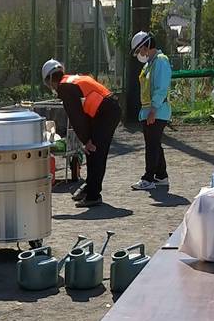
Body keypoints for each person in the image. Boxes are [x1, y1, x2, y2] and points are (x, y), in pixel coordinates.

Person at [41, 60, 121, 206]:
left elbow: (76, 117)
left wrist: (86, 140)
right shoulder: (71, 80)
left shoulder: (65, 88)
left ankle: (93, 195)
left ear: (50, 80)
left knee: (96, 151)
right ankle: (90, 187)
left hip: (106, 113)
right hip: (104, 110)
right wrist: (87, 138)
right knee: (92, 152)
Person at [130, 31, 173, 193]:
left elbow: (161, 87)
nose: (139, 54)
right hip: (150, 110)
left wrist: (153, 110)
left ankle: (148, 178)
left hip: (157, 111)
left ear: (146, 46)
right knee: (154, 143)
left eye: (139, 50)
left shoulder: (160, 61)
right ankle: (161, 175)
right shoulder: (150, 64)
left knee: (152, 145)